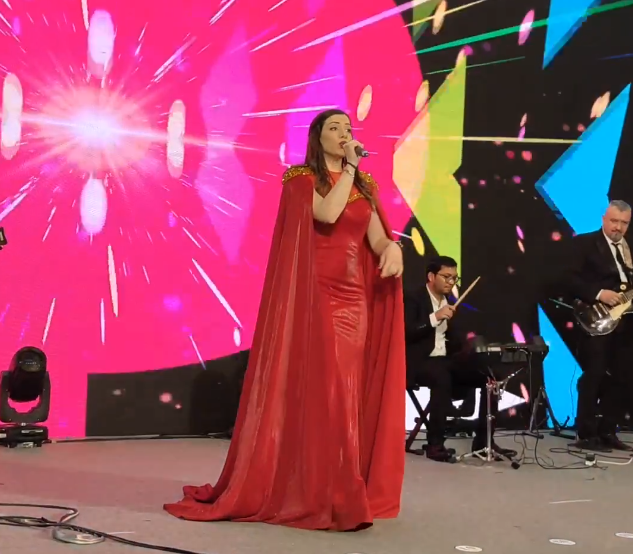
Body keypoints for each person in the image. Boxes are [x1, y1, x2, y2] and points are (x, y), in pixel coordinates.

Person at [164, 109, 407, 531]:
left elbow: (375, 237)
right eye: (335, 128)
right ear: (318, 137)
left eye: (348, 128)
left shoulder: (364, 186)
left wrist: (393, 247)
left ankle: (339, 486)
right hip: (315, 295)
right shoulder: (301, 179)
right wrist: (350, 168)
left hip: (354, 301)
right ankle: (316, 487)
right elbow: (327, 215)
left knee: (346, 390)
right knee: (325, 390)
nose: (344, 134)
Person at [563, 200, 633, 452]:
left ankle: (608, 431)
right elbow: (567, 278)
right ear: (604, 218)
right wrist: (599, 293)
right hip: (598, 318)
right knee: (594, 374)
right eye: (614, 221)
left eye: (624, 223)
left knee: (623, 377)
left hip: (630, 321)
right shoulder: (584, 244)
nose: (618, 227)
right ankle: (586, 433)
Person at [404, 257, 517, 462]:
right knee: (441, 376)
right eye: (446, 277)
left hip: (444, 361)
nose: (451, 282)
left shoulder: (449, 302)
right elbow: (406, 332)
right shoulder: (413, 298)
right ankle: (435, 445)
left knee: (491, 377)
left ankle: (484, 441)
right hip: (420, 362)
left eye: (454, 278)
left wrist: (468, 349)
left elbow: (453, 342)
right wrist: (435, 317)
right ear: (431, 276)